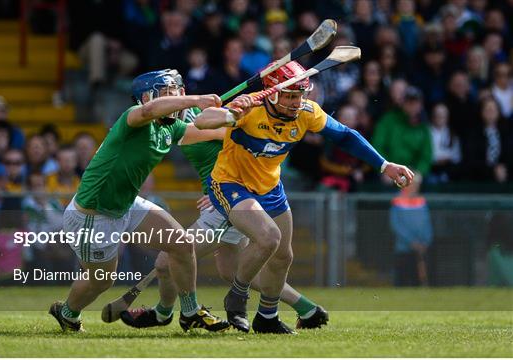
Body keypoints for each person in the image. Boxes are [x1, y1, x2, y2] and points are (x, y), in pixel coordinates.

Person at [194, 61, 414, 333]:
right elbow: (202, 121)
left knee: (283, 256)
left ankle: (267, 317)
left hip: (270, 187)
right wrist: (231, 114)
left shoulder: (306, 112)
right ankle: (237, 297)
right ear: (272, 94)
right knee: (269, 238)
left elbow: (345, 136)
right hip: (230, 184)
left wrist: (385, 165)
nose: (296, 101)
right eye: (289, 95)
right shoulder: (250, 110)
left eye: (300, 95)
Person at [49, 69, 234, 333]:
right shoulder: (133, 117)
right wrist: (195, 100)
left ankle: (190, 311)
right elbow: (150, 111)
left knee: (181, 244)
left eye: (177, 92)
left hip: (126, 205)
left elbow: (214, 132)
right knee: (101, 280)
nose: (176, 98)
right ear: (146, 97)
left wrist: (237, 117)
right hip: (92, 216)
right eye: (168, 93)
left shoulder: (170, 129)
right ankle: (67, 313)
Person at [121, 100, 329, 332]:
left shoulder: (200, 118)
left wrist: (224, 189)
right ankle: (308, 309)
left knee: (167, 262)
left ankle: (163, 313)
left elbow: (246, 141)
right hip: (224, 195)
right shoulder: (175, 123)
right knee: (230, 270)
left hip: (230, 198)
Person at [390, 173, 433, 286]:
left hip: (421, 249)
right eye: (411, 184)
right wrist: (411, 242)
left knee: (419, 281)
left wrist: (425, 242)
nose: (414, 187)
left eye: (416, 184)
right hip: (403, 249)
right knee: (402, 281)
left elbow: (427, 224)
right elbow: (396, 225)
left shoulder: (421, 201)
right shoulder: (397, 201)